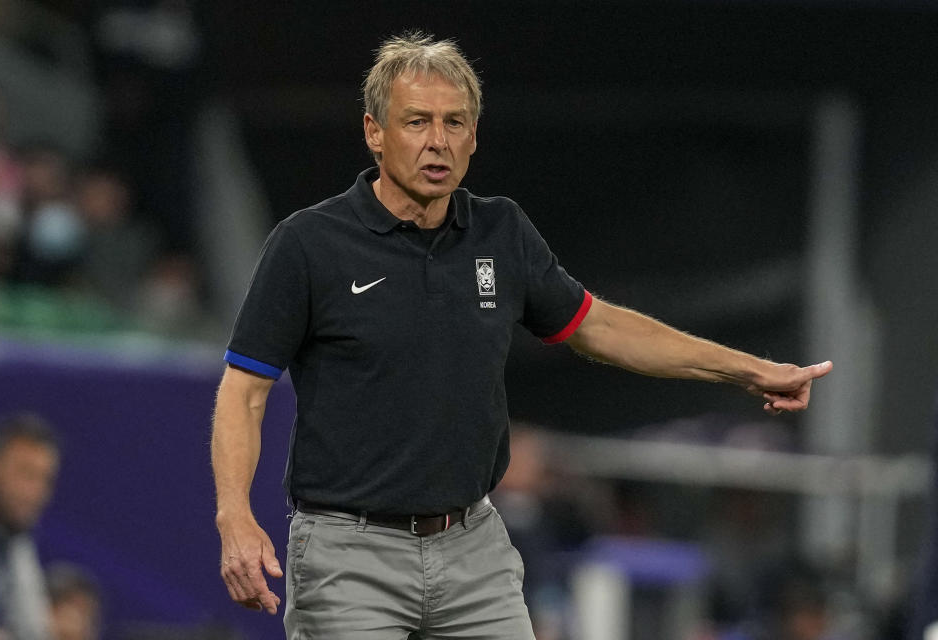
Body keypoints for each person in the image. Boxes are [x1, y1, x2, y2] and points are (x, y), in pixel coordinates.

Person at [211, 32, 833, 639]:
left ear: (475, 137)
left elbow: (601, 326)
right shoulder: (308, 245)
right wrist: (235, 516)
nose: (437, 142)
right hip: (350, 555)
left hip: (472, 548)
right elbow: (244, 392)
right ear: (374, 132)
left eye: (455, 123)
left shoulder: (500, 232)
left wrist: (748, 370)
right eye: (417, 122)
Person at [0, 412, 60, 640]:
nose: (35, 492)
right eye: (25, 474)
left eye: (45, 479)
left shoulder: (13, 534)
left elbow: (34, 630)